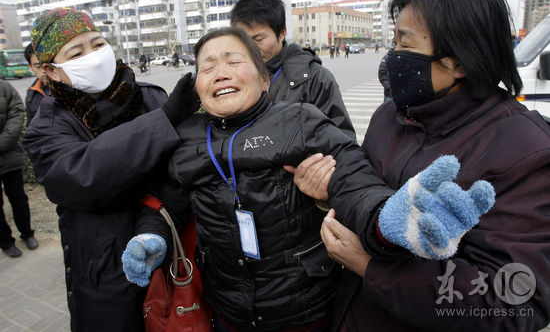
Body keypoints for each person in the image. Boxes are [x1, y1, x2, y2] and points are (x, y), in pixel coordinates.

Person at [120, 27, 494, 332]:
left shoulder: (299, 120)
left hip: (304, 309)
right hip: (226, 308)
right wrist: (150, 234)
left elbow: (350, 174)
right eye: (207, 67)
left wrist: (387, 218)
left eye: (234, 61)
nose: (220, 71)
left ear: (265, 81)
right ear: (197, 87)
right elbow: (166, 198)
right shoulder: (185, 137)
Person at [292, 0, 550, 331]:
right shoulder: (392, 115)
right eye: (393, 40)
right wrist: (328, 193)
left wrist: (372, 268)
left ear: (459, 62)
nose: (392, 55)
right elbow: (368, 194)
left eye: (405, 45)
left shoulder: (527, 151)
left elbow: (514, 302)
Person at [22, 7, 199, 332]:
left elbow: (182, 169)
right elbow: (80, 177)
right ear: (52, 70)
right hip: (104, 272)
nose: (94, 55)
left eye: (98, 43)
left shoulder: (149, 97)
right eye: (77, 52)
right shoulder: (48, 124)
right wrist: (163, 122)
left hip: (173, 254)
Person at [230, 0, 356, 141]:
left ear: (282, 33)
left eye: (259, 39)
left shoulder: (315, 77)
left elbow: (342, 138)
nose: (250, 48)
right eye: (243, 40)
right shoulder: (230, 77)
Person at [0, 79, 39, 258]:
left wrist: (2, 143)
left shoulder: (4, 87)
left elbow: (17, 114)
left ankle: (27, 234)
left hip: (8, 155)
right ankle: (6, 242)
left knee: (18, 198)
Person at [24, 43, 50, 126]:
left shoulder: (73, 88)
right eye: (38, 66)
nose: (44, 70)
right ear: (30, 67)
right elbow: (30, 126)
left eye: (47, 64)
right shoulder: (31, 94)